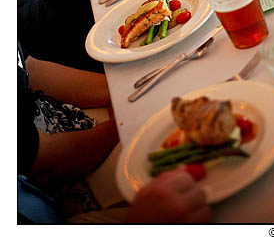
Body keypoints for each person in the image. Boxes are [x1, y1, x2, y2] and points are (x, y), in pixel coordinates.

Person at [18, 43, 211, 224]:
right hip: (54, 190)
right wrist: (122, 125)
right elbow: (44, 162)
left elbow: (30, 69)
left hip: (67, 124)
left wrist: (121, 97)